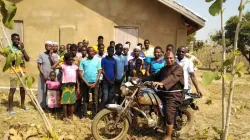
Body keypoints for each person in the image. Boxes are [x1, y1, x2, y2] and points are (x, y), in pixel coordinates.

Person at [143, 51, 184, 140]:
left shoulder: (178, 68)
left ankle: (168, 136)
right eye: (167, 58)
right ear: (164, 59)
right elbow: (155, 75)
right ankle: (157, 122)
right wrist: (142, 79)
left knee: (169, 113)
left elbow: (172, 78)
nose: (169, 60)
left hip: (173, 94)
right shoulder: (164, 69)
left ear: (174, 58)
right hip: (163, 93)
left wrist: (161, 83)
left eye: (170, 58)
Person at [51, 53, 79, 120]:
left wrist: (78, 87)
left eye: (72, 60)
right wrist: (59, 61)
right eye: (69, 60)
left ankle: (71, 116)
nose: (71, 61)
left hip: (72, 86)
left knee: (71, 103)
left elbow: (77, 78)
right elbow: (53, 67)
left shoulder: (75, 67)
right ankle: (65, 117)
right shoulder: (63, 66)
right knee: (64, 102)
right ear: (66, 60)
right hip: (65, 86)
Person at [8, 33, 30, 115]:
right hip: (14, 71)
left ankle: (23, 105)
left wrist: (23, 49)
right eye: (15, 39)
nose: (17, 41)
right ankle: (10, 108)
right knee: (12, 89)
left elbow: (27, 59)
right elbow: (9, 59)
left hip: (22, 71)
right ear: (11, 40)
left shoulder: (21, 48)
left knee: (22, 89)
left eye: (18, 39)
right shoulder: (10, 48)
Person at [79, 47, 101, 119]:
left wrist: (95, 82)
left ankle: (94, 115)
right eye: (90, 51)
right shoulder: (83, 61)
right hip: (85, 82)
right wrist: (86, 83)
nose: (92, 53)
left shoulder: (97, 60)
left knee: (95, 99)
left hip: (95, 82)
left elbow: (99, 72)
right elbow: (80, 73)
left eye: (93, 51)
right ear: (87, 52)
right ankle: (84, 115)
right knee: (85, 99)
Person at [37, 41, 53, 109]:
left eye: (50, 46)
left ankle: (49, 105)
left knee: (50, 90)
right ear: (45, 46)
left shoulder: (53, 55)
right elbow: (39, 66)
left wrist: (50, 55)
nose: (48, 47)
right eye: (47, 46)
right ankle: (41, 105)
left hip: (52, 76)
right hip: (43, 75)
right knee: (42, 89)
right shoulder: (41, 54)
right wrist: (43, 74)